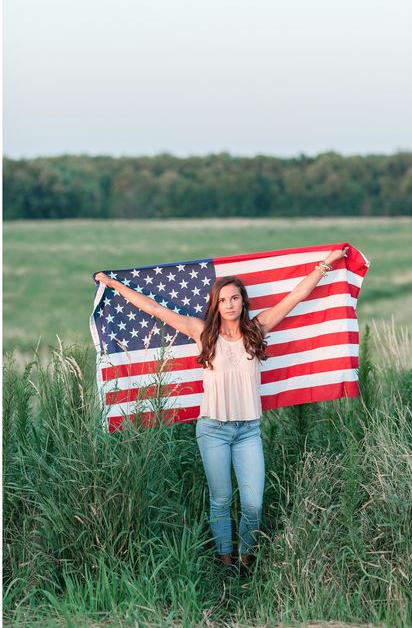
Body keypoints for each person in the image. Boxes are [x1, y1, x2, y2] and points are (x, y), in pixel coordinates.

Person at [95, 245, 348, 573]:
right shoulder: (203, 332)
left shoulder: (257, 330)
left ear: (243, 301)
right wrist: (112, 284)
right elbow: (156, 309)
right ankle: (225, 562)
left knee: (253, 504)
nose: (229, 304)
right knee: (221, 500)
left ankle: (246, 558)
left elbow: (295, 297)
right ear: (215, 304)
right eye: (223, 299)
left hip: (248, 431)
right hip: (212, 430)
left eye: (234, 298)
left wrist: (326, 264)